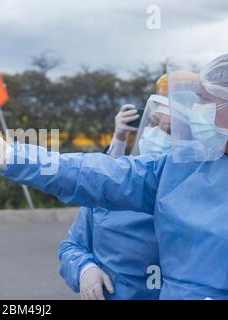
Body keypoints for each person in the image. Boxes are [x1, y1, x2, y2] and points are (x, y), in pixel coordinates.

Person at [0, 53, 228, 299]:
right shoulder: (179, 169)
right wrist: (14, 156)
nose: (198, 108)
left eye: (205, 99)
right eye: (153, 123)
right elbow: (97, 173)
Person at [60, 91, 171, 300]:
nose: (158, 134)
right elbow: (72, 246)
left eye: (170, 130)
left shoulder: (194, 199)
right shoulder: (109, 189)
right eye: (153, 123)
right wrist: (85, 270)